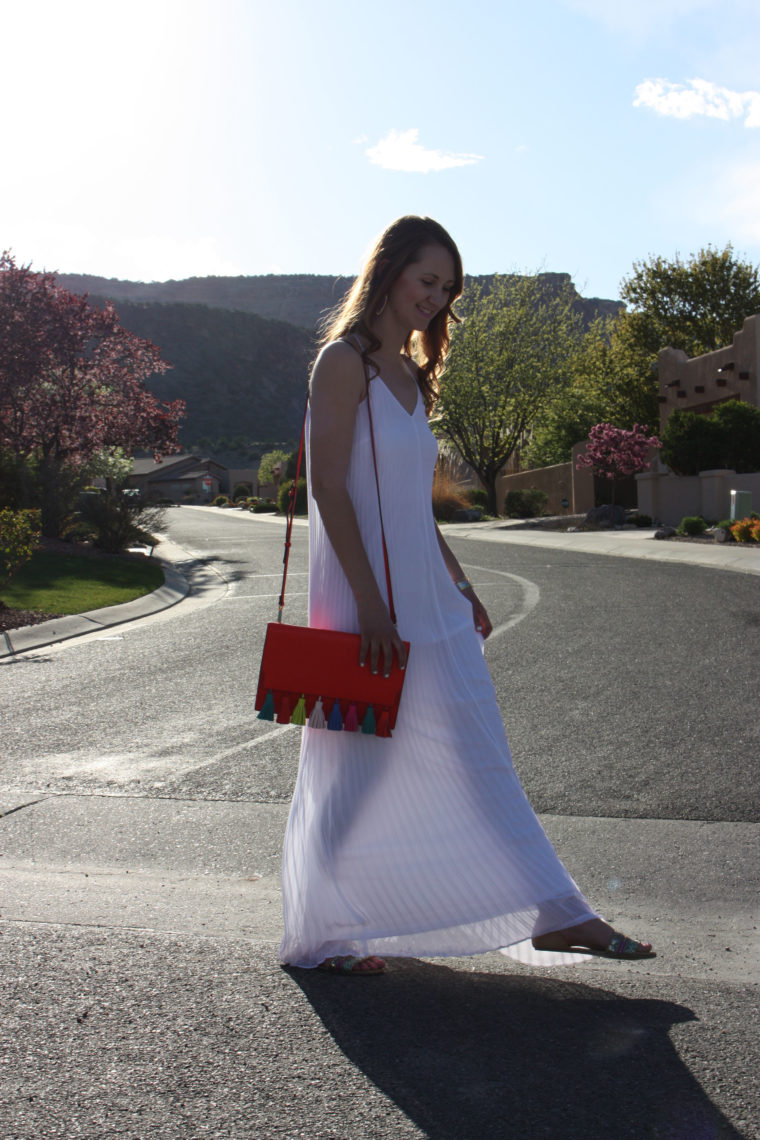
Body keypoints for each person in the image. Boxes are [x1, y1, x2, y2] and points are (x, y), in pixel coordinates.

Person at [279, 216, 653, 975]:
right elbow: (329, 493)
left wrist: (459, 578)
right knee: (355, 764)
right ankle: (323, 930)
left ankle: (554, 913)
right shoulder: (340, 364)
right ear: (388, 273)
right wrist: (373, 605)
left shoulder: (412, 375)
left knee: (478, 748)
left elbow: (411, 504)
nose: (436, 298)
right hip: (366, 601)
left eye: (447, 288)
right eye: (427, 280)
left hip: (429, 597)